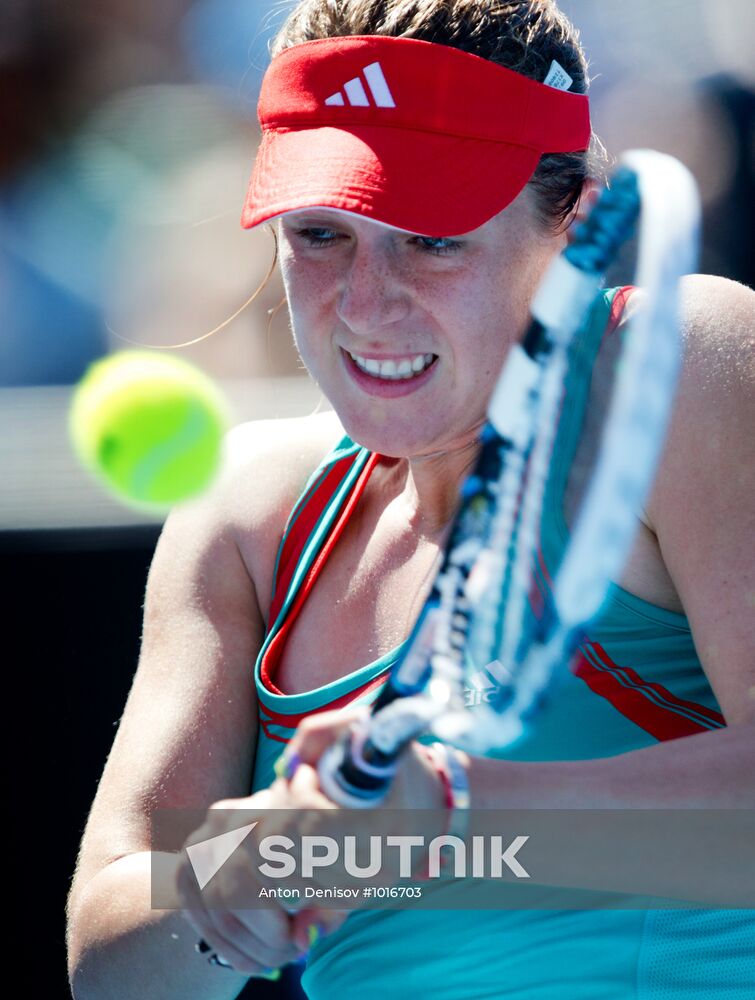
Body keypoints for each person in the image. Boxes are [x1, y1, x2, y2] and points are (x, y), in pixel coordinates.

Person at [66, 2, 755, 998]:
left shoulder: (674, 361)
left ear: (576, 225)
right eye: (318, 234)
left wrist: (454, 815)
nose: (362, 299)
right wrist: (258, 874)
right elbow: (109, 963)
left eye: (430, 238)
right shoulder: (249, 519)